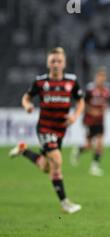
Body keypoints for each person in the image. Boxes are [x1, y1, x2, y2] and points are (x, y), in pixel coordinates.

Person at [9, 47, 84, 214]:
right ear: (47, 63)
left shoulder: (71, 81)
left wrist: (75, 116)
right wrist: (27, 105)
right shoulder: (40, 82)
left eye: (59, 61)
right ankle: (65, 203)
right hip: (45, 128)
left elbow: (80, 102)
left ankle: (24, 150)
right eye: (53, 61)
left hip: (60, 130)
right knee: (57, 161)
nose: (56, 64)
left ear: (64, 63)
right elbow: (26, 97)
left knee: (46, 167)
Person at [70, 67, 110, 176]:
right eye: (99, 77)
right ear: (96, 78)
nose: (101, 79)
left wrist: (103, 110)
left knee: (100, 143)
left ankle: (95, 166)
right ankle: (79, 150)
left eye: (103, 77)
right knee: (89, 145)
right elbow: (82, 104)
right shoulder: (90, 89)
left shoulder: (107, 91)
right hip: (89, 120)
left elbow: (105, 104)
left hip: (100, 121)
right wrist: (92, 111)